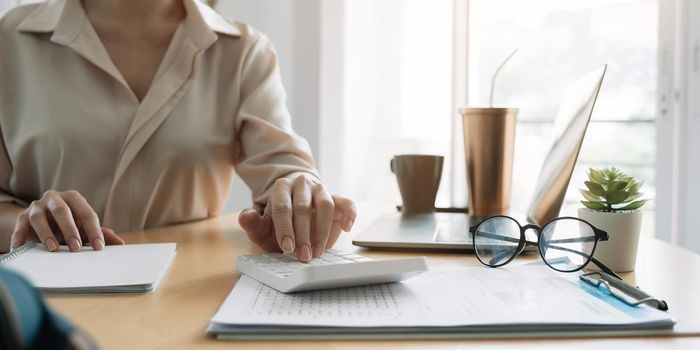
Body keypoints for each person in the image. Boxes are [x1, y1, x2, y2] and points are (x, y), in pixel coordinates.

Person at [0, 0, 356, 262]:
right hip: (44, 296)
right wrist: (29, 222)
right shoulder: (10, 41)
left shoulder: (243, 51)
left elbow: (285, 169)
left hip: (181, 301)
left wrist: (299, 198)